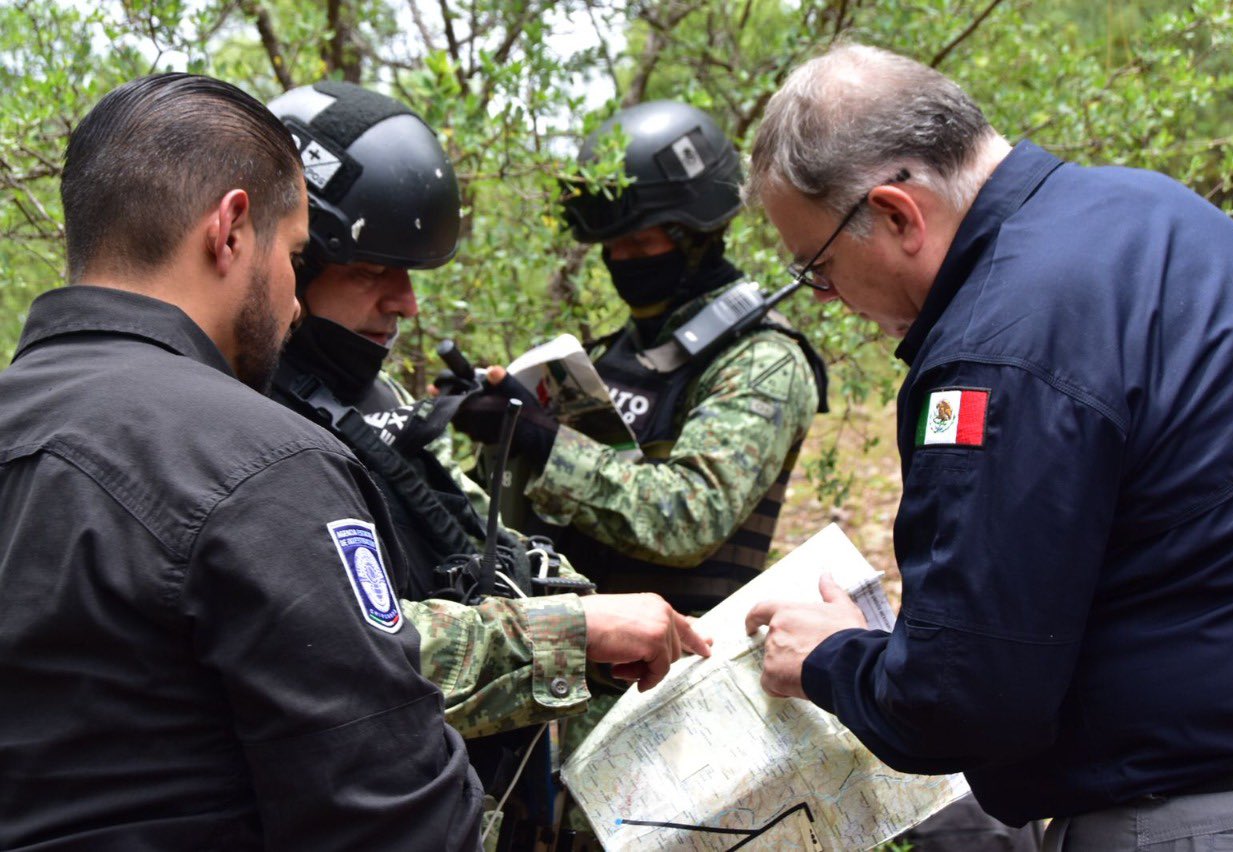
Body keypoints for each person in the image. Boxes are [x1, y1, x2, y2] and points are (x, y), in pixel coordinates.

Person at [743, 43, 1233, 849]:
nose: (828, 299)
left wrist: (829, 659)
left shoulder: (996, 346)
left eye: (818, 268)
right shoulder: (1159, 215)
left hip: (1189, 811)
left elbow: (968, 699)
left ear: (895, 214)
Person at [0, 73, 484, 850]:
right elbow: (400, 817)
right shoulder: (266, 464)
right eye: (295, 254)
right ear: (230, 231)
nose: (294, 301)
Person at [264, 82, 711, 849]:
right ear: (297, 263)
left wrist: (579, 615)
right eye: (374, 274)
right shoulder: (246, 425)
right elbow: (340, 657)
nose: (406, 304)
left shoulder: (368, 391)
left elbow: (469, 537)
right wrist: (573, 631)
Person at [455, 100, 827, 616]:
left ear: (698, 236)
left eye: (641, 242)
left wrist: (543, 440)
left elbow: (689, 519)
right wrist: (500, 437)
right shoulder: (608, 355)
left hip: (673, 673)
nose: (622, 261)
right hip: (566, 655)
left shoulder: (763, 360)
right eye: (611, 246)